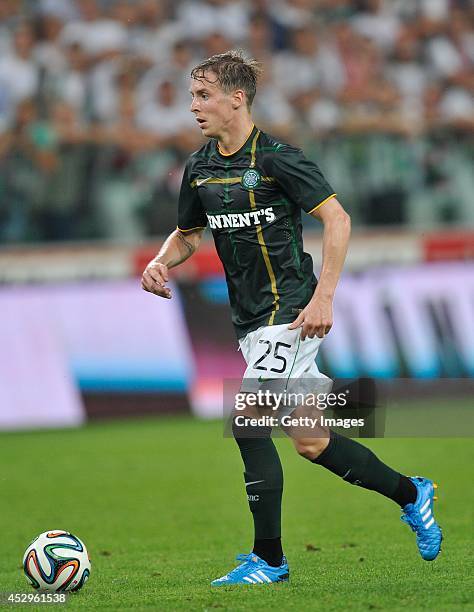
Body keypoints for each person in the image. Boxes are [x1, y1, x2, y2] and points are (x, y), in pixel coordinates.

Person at [141, 50, 442, 586]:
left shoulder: (279, 158)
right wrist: (162, 261)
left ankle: (270, 560)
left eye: (203, 95)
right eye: (192, 96)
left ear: (237, 98)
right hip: (248, 319)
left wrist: (323, 298)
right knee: (311, 440)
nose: (193, 107)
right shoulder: (200, 167)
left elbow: (338, 219)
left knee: (249, 424)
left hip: (291, 310)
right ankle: (412, 493)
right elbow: (189, 234)